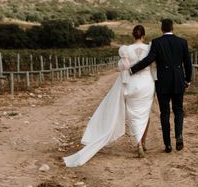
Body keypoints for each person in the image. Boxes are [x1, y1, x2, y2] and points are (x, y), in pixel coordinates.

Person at [63, 25, 156, 167]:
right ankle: (142, 142)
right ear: (144, 35)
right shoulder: (150, 48)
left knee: (132, 113)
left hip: (131, 84)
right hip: (146, 84)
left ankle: (138, 143)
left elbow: (122, 67)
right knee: (144, 113)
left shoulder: (126, 49)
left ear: (133, 35)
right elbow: (154, 65)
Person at [129, 19, 192, 153]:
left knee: (165, 113)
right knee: (178, 110)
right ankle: (179, 136)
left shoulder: (157, 42)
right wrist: (188, 80)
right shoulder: (182, 42)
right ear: (172, 28)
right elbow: (188, 63)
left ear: (162, 29)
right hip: (178, 81)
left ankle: (168, 144)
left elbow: (149, 60)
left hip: (162, 82)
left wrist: (133, 69)